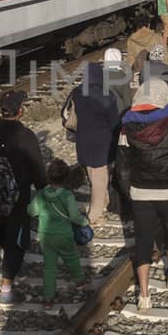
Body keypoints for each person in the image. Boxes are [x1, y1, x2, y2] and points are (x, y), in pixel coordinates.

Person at [116, 79, 168, 311]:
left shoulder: (126, 127)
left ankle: (145, 295)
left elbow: (121, 166)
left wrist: (128, 191)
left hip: (140, 192)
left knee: (142, 239)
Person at [0, 90, 46, 307]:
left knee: (2, 232)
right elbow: (37, 169)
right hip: (18, 196)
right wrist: (45, 192)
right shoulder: (26, 136)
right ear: (20, 111)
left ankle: (8, 268)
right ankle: (7, 289)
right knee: (16, 239)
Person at [70, 54, 125, 227]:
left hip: (83, 141)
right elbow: (115, 122)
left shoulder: (78, 93)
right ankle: (93, 216)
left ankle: (103, 204)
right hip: (103, 144)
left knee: (94, 177)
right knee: (100, 181)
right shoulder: (106, 95)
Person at [28, 160, 87, 309]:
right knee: (71, 257)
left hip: (46, 236)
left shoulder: (41, 195)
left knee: (49, 267)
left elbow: (31, 212)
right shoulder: (67, 196)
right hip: (64, 235)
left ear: (48, 177)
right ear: (66, 178)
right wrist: (84, 221)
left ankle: (48, 299)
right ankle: (79, 280)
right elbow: (74, 217)